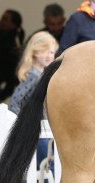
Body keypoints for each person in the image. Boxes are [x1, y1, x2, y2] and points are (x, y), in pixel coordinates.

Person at [9, 31, 58, 166]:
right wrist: (25, 123)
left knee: (50, 165)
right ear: (35, 52)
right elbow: (14, 103)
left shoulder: (43, 75)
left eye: (52, 52)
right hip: (36, 133)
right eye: (45, 51)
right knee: (50, 165)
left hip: (45, 129)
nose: (50, 56)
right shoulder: (33, 76)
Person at [0, 9, 25, 101]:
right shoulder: (14, 42)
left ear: (13, 25)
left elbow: (12, 70)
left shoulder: (10, 44)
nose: (1, 20)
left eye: (5, 19)